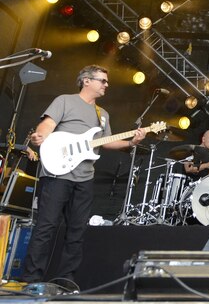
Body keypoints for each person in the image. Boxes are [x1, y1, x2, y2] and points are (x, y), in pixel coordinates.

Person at [23, 65, 146, 288]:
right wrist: (41, 135)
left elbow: (106, 142)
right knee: (46, 226)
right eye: (103, 81)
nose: (106, 85)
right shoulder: (65, 101)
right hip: (57, 173)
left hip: (84, 178)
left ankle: (66, 280)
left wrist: (132, 142)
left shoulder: (103, 115)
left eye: (107, 82)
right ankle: (31, 279)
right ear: (86, 80)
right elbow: (48, 123)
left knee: (77, 231)